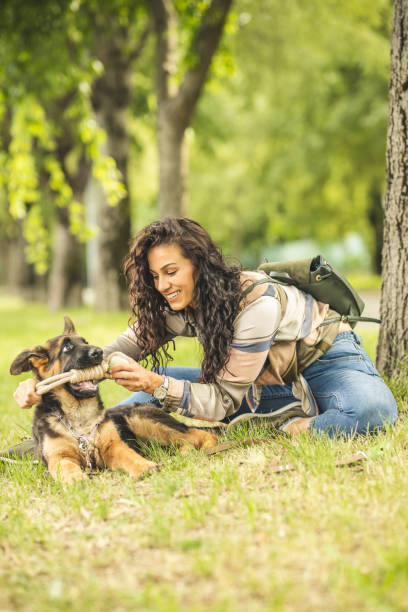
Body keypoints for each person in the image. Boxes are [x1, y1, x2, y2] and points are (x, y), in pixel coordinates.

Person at [13, 217, 397, 438]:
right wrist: (46, 382)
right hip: (261, 381)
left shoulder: (255, 304)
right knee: (151, 387)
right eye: (154, 276)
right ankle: (78, 438)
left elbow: (222, 401)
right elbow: (112, 356)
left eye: (171, 271)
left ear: (199, 264)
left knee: (374, 411)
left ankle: (287, 426)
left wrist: (154, 384)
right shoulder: (174, 306)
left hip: (328, 360)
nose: (162, 285)